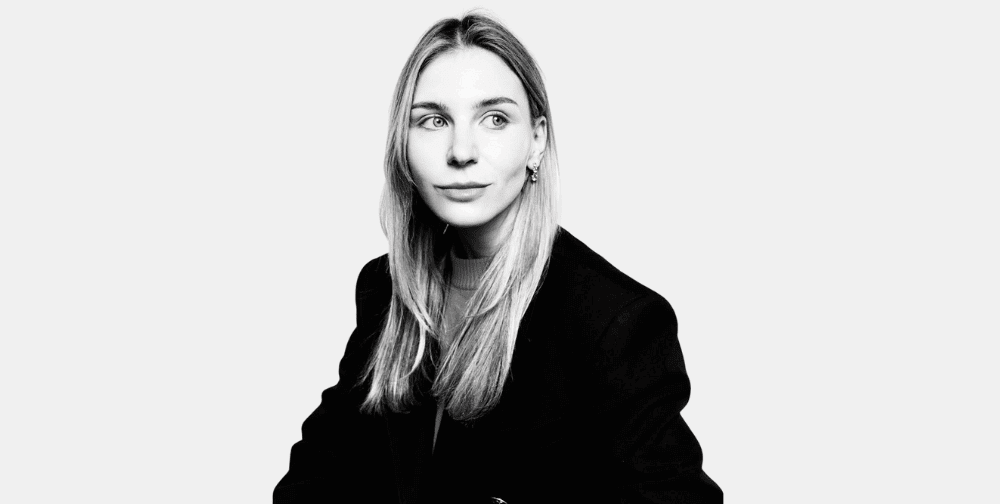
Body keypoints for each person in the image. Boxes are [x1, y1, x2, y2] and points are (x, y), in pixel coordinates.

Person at [275, 13, 722, 504]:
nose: (461, 151)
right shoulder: (385, 289)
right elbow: (312, 481)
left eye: (495, 119)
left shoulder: (612, 321)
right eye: (434, 120)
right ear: (403, 144)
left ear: (537, 140)